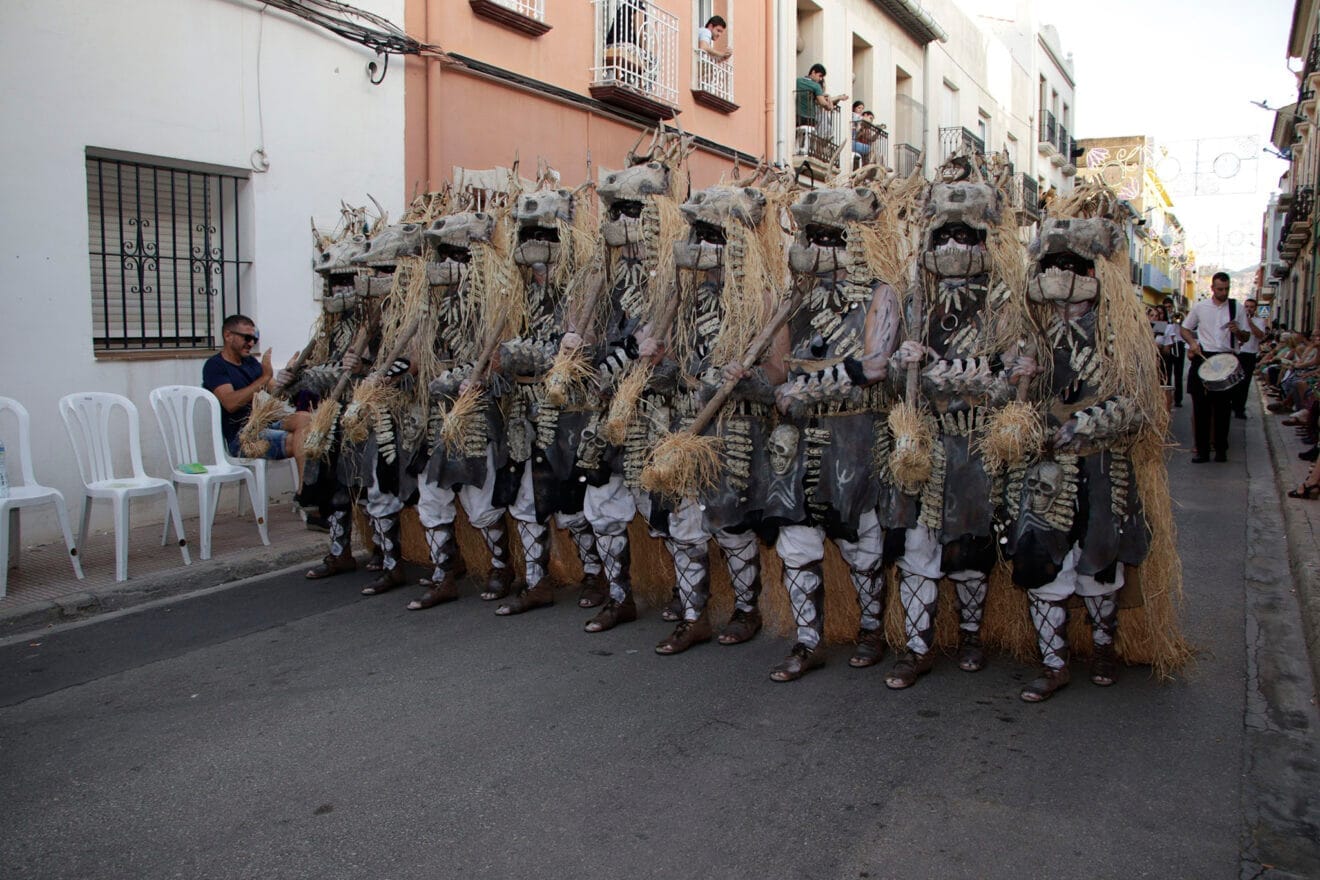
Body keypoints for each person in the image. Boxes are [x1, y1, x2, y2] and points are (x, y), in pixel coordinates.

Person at [202, 314, 309, 468]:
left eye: (255, 339)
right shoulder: (215, 366)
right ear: (228, 335)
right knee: (302, 441)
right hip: (242, 437)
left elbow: (278, 393)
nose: (251, 343)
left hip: (262, 425)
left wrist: (290, 376)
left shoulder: (250, 363)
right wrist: (264, 377)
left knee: (306, 419)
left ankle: (305, 488)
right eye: (247, 338)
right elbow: (230, 403)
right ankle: (303, 489)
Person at [1181, 272, 1249, 463]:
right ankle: (1202, 451)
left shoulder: (1237, 308)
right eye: (1220, 289)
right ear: (1212, 288)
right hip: (1204, 357)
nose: (1224, 292)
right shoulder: (1200, 307)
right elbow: (1185, 328)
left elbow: (1247, 337)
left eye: (1227, 289)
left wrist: (1239, 332)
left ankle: (1220, 449)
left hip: (1226, 358)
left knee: (1222, 409)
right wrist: (1192, 343)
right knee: (1200, 407)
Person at [1233, 297, 1267, 418]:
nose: (1248, 309)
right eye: (1246, 306)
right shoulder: (1238, 320)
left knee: (1245, 383)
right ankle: (1233, 404)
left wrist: (1250, 323)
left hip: (1249, 354)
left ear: (1255, 308)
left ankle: (1240, 409)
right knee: (1234, 381)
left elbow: (1261, 336)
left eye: (1251, 307)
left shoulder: (1259, 321)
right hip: (1237, 353)